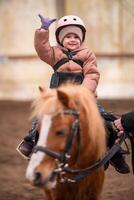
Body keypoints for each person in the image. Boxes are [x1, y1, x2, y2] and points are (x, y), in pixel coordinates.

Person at [16, 14, 129, 174]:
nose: (72, 39)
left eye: (76, 36)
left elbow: (92, 74)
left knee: (104, 119)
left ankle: (115, 153)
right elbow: (42, 48)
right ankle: (31, 142)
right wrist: (43, 30)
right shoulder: (54, 53)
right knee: (43, 119)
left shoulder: (87, 54)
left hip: (83, 97)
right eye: (68, 36)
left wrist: (83, 92)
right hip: (58, 97)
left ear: (82, 38)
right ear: (61, 39)